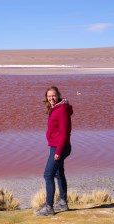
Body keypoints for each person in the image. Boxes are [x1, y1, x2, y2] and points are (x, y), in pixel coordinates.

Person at [36, 86, 73, 216]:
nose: (51, 98)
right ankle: (62, 202)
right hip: (57, 146)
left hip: (60, 147)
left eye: (53, 95)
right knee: (58, 173)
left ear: (58, 95)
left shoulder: (61, 110)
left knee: (48, 175)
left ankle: (49, 207)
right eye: (49, 96)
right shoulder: (56, 108)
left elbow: (64, 133)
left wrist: (58, 151)